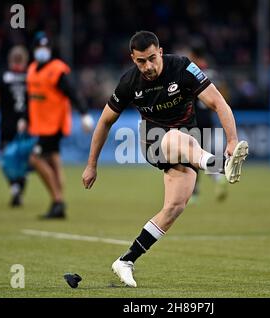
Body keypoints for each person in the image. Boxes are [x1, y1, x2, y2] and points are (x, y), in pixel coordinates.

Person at [82, 31, 249, 287]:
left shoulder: (182, 67)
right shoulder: (129, 82)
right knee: (175, 138)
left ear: (160, 52)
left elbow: (218, 102)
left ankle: (125, 260)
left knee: (174, 208)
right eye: (141, 61)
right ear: (133, 59)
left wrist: (232, 140)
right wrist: (92, 164)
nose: (147, 66)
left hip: (189, 142)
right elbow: (104, 122)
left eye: (151, 58)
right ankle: (222, 166)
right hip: (154, 141)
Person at [27, 32, 94, 219]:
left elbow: (72, 92)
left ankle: (58, 200)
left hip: (54, 124)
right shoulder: (32, 69)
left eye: (46, 47)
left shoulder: (57, 70)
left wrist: (84, 113)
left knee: (35, 159)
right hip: (40, 124)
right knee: (54, 162)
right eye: (40, 47)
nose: (43, 51)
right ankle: (58, 204)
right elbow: (31, 98)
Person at [0, 45, 29, 207]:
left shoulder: (1, 77)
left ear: (10, 60)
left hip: (7, 125)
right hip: (27, 124)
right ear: (24, 60)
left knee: (5, 159)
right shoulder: (30, 75)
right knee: (23, 160)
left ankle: (14, 187)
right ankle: (20, 186)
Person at [187, 44, 228, 203]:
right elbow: (223, 96)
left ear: (194, 55)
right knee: (198, 153)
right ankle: (216, 178)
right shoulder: (214, 73)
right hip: (209, 119)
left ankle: (196, 191)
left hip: (195, 119)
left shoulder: (193, 73)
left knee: (192, 155)